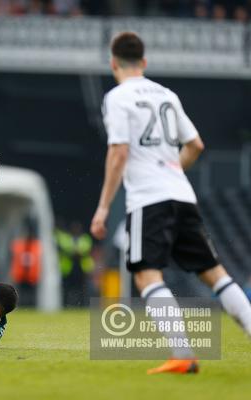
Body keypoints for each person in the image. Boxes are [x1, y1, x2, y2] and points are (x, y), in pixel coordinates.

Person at [90, 31, 251, 374]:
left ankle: (183, 354)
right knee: (217, 276)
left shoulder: (117, 97)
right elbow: (195, 145)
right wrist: (172, 168)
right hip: (182, 195)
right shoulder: (167, 94)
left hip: (149, 199)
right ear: (144, 63)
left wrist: (103, 207)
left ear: (113, 63)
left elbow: (118, 153)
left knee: (147, 277)